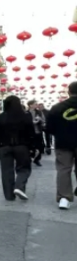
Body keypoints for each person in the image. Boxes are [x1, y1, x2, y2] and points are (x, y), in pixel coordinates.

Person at [0, 95, 35, 201]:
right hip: (22, 146)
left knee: (6, 171)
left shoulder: (0, 118)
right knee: (24, 168)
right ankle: (19, 186)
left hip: (4, 147)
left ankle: (9, 195)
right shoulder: (26, 116)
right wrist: (33, 147)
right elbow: (31, 133)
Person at [45, 81, 77, 210]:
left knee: (64, 169)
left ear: (68, 92)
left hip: (63, 143)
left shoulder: (57, 108)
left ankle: (64, 198)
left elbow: (49, 128)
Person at [28, 100, 46, 166]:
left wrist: (40, 120)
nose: (36, 105)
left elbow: (43, 121)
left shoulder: (39, 112)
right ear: (30, 105)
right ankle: (29, 158)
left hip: (38, 131)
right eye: (35, 104)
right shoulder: (26, 113)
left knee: (39, 146)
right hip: (29, 132)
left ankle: (37, 159)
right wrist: (31, 122)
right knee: (30, 146)